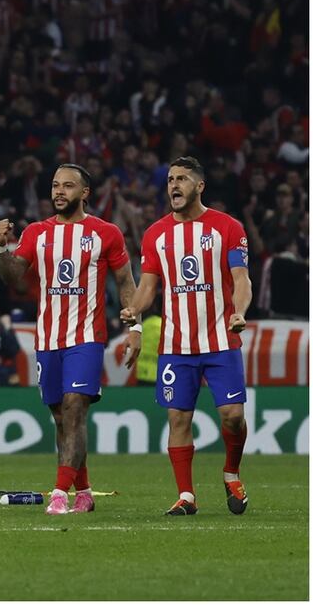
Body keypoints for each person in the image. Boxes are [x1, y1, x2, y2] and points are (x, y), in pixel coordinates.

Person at [0, 163, 141, 515]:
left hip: (88, 336)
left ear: (85, 193)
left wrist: (135, 328)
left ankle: (59, 493)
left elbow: (125, 281)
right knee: (61, 417)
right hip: (48, 338)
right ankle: (84, 492)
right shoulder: (36, 233)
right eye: (55, 185)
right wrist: (1, 249)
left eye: (68, 186)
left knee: (76, 407)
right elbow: (14, 278)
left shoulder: (106, 233)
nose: (59, 191)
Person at [120, 156, 253, 516]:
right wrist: (135, 310)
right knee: (178, 419)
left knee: (232, 416)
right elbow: (148, 287)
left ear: (200, 186)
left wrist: (238, 312)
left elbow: (241, 280)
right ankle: (186, 496)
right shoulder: (156, 234)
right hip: (176, 345)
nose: (174, 186)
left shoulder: (227, 227)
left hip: (221, 340)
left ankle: (231, 472)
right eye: (170, 180)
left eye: (182, 179)